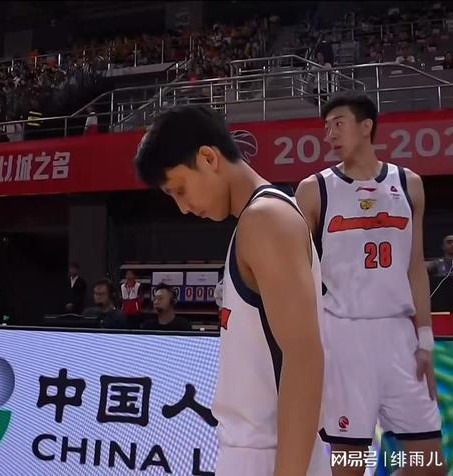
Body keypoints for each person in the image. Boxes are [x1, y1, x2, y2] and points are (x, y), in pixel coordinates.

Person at [135, 105, 329, 476]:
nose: (183, 208)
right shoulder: (258, 219)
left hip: (270, 454)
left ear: (208, 159)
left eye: (180, 190)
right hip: (259, 448)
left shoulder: (265, 219)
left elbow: (304, 359)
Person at [295, 93, 444, 476]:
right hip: (343, 337)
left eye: (338, 124)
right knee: (350, 466)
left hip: (399, 337)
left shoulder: (409, 184)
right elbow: (297, 273)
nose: (330, 134)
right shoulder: (314, 189)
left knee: (429, 463)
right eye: (326, 127)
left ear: (366, 127)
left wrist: (425, 341)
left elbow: (415, 267)